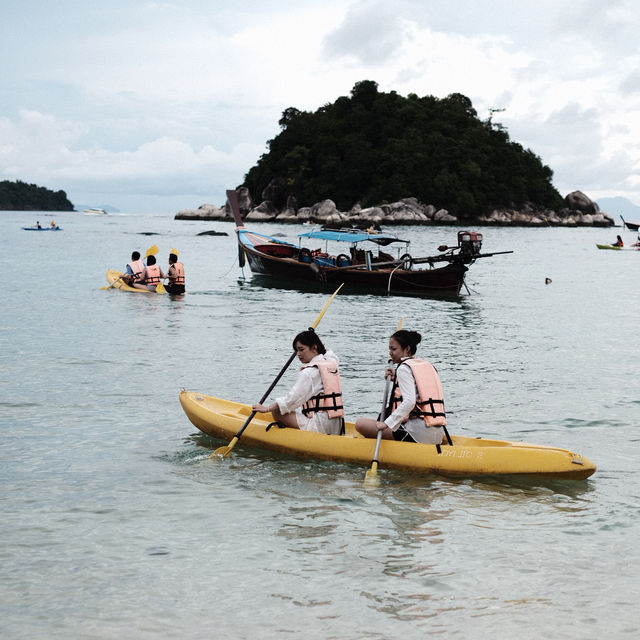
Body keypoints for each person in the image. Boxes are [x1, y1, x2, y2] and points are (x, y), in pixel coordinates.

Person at [355, 329, 446, 445]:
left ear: (407, 349)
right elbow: (418, 389)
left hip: (416, 434)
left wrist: (387, 423)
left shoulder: (404, 368)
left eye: (394, 349)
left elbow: (410, 402)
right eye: (389, 349)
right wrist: (396, 378)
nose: (390, 353)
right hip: (437, 434)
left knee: (360, 424)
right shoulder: (426, 365)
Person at [252, 330, 344, 435]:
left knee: (277, 411)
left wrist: (266, 408)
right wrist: (313, 338)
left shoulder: (309, 373)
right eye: (296, 350)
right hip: (337, 426)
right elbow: (329, 352)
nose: (298, 354)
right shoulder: (331, 362)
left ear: (314, 348)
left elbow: (292, 400)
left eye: (301, 349)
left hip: (319, 426)